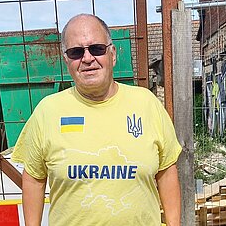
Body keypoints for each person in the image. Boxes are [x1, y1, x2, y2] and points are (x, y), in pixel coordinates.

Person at [12, 14, 182, 226]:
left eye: (96, 49)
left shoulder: (147, 104)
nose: (87, 58)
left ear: (112, 54)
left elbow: (166, 172)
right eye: (76, 52)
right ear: (66, 61)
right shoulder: (48, 111)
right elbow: (34, 179)